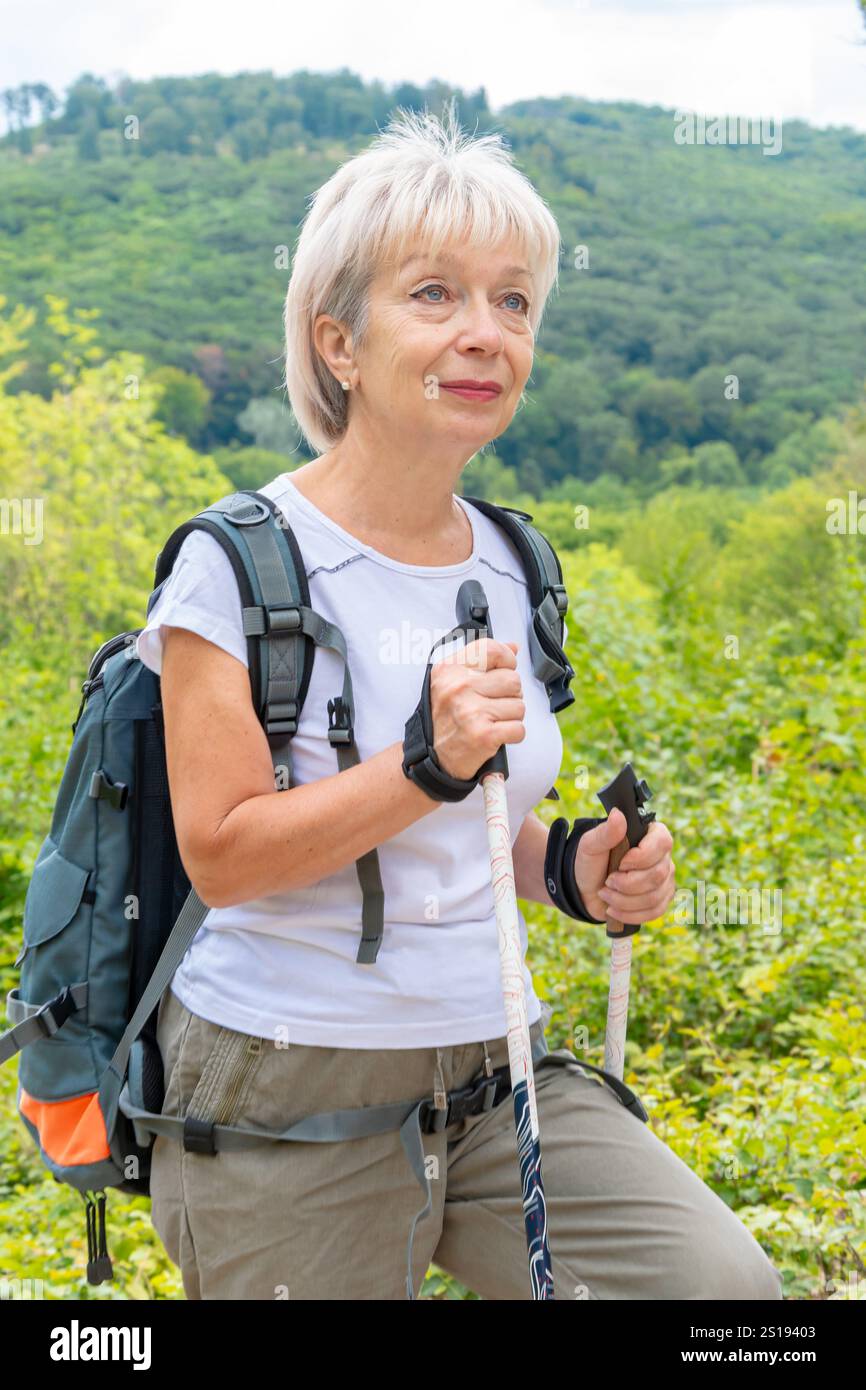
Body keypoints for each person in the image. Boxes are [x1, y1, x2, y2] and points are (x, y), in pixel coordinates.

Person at [140, 104, 783, 1301]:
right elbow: (222, 856)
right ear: (339, 341)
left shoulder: (513, 560)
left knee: (719, 1297)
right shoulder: (235, 566)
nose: (484, 333)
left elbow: (477, 826)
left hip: (497, 1076)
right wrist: (420, 761)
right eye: (433, 294)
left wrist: (573, 871)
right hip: (287, 1096)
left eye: (513, 300)